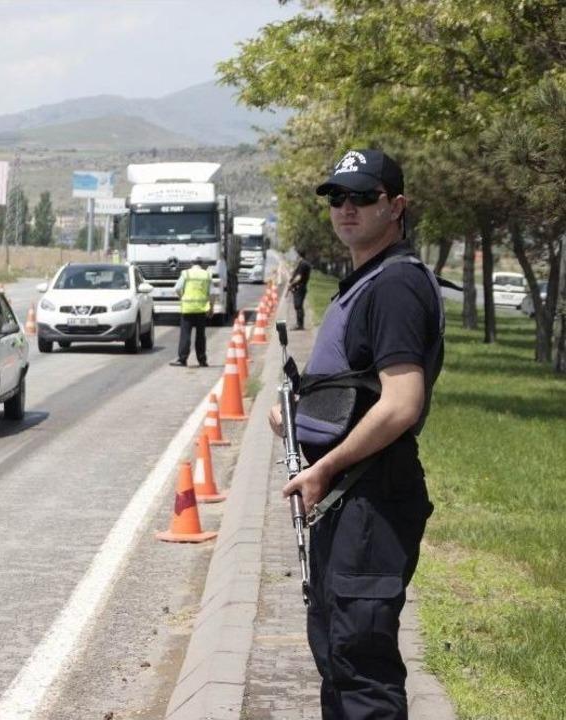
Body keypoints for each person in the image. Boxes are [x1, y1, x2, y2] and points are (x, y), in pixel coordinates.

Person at [268, 149, 444, 719]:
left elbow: (400, 404)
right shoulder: (365, 279)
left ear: (396, 207)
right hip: (349, 501)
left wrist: (323, 466)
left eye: (363, 197)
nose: (346, 208)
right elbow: (359, 389)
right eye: (337, 197)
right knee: (339, 655)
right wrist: (297, 417)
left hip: (370, 499)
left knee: (362, 668)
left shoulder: (394, 287)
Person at [170, 257, 213, 367]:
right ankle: (202, 360)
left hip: (188, 309)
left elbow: (176, 288)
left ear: (191, 263)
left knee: (185, 335)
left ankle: (182, 359)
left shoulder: (186, 274)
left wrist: (182, 297)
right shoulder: (206, 275)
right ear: (201, 263)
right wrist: (211, 308)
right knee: (200, 336)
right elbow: (211, 294)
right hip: (201, 309)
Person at [289, 252, 312, 329]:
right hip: (300, 287)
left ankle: (300, 325)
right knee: (298, 306)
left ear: (299, 255)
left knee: (298, 306)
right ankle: (299, 324)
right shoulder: (303, 263)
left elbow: (299, 277)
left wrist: (291, 284)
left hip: (300, 287)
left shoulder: (302, 264)